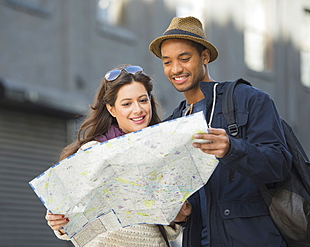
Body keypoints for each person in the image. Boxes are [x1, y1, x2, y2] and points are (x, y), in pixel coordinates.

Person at [148, 16, 292, 247]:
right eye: (167, 62)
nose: (176, 69)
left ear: (204, 56)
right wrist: (179, 211)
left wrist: (232, 149)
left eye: (184, 58)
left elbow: (279, 165)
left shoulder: (248, 99)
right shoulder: (173, 124)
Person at [45, 64, 186, 247]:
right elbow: (68, 218)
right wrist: (58, 221)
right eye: (127, 104)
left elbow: (167, 229)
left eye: (143, 100)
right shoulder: (92, 152)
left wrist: (178, 215)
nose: (138, 110)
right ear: (111, 109)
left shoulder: (161, 153)